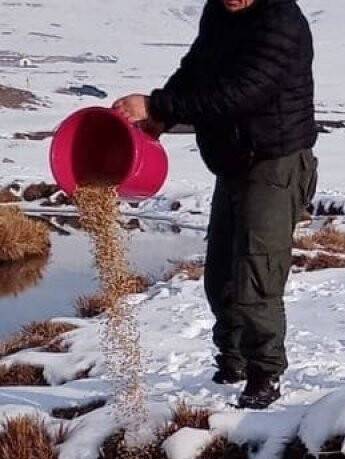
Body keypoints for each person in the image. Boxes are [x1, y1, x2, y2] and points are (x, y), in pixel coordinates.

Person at [113, 0, 318, 410]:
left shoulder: (281, 21)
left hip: (274, 162)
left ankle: (265, 374)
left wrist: (158, 106)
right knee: (221, 270)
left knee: (256, 272)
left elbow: (244, 92)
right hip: (234, 161)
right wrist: (162, 115)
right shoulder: (219, 13)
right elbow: (197, 66)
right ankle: (234, 360)